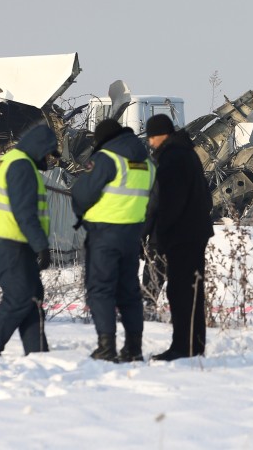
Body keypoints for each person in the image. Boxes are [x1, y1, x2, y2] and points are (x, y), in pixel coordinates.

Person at [71, 118, 155, 362]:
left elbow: (82, 192)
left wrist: (82, 212)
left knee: (101, 290)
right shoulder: (147, 163)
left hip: (104, 233)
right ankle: (134, 348)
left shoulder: (107, 158)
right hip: (132, 234)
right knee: (129, 292)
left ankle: (106, 347)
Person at [0, 124, 59, 356]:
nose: (49, 159)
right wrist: (41, 246)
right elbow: (25, 212)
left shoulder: (12, 161)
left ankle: (38, 355)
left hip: (11, 242)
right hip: (12, 243)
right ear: (39, 147)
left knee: (32, 299)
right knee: (19, 299)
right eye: (48, 153)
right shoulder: (21, 166)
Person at [143, 114, 214, 361]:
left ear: (162, 135)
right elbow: (206, 197)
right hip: (194, 233)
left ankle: (183, 348)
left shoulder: (172, 158)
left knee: (181, 292)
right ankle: (193, 345)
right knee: (192, 292)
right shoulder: (187, 154)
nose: (150, 142)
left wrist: (159, 237)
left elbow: (169, 204)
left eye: (152, 137)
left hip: (182, 236)